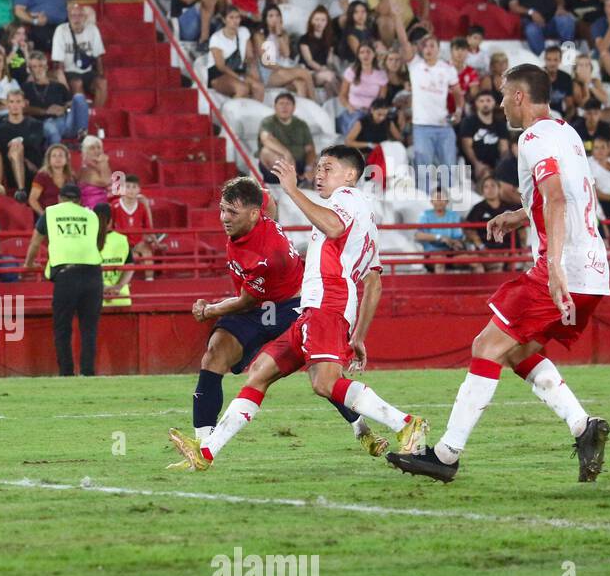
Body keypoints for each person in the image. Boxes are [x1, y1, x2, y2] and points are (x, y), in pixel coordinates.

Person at [389, 65, 610, 483]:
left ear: (521, 97)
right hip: (593, 272)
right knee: (516, 351)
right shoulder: (566, 132)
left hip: (560, 269)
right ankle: (583, 428)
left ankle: (446, 455)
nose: (503, 101)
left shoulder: (532, 138)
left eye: (506, 94)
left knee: (486, 346)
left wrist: (555, 269)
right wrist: (519, 214)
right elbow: (566, 195)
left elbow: (558, 200)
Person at [169, 147, 428, 472]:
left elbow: (333, 228)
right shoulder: (367, 221)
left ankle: (407, 424)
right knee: (260, 372)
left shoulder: (346, 197)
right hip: (318, 304)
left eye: (327, 168)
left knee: (324, 383)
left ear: (350, 175)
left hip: (327, 298)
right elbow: (374, 282)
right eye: (317, 168)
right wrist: (359, 335)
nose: (319, 174)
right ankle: (205, 453)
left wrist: (291, 189)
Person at [179, 175, 385, 453]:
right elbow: (269, 198)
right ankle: (203, 442)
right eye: (223, 209)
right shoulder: (259, 206)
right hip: (258, 306)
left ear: (253, 215)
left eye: (232, 212)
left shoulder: (265, 256)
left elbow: (244, 301)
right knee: (215, 354)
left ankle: (362, 430)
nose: (224, 218)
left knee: (321, 374)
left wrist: (208, 310)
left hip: (290, 307)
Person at [23, 182, 105, 376]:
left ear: (60, 198)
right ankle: (87, 372)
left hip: (66, 275)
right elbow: (96, 242)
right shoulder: (91, 215)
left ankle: (66, 373)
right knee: (89, 328)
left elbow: (35, 243)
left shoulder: (50, 213)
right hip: (93, 273)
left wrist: (28, 264)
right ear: (79, 200)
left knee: (62, 327)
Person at [402, 32, 463, 197]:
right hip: (421, 126)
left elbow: (458, 93)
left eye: (432, 46)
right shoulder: (415, 65)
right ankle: (424, 201)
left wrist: (458, 111)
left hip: (443, 125)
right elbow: (404, 41)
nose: (428, 49)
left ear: (438, 49)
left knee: (449, 166)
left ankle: (449, 201)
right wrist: (396, 18)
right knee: (423, 168)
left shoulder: (448, 69)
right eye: (425, 46)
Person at [20, 50, 87, 147]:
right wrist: (46, 111)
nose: (38, 70)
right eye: (34, 67)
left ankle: (82, 136)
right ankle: (56, 155)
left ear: (46, 67)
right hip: (42, 123)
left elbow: (69, 104)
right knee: (51, 127)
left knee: (79, 97)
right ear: (30, 69)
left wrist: (63, 109)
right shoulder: (25, 87)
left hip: (64, 121)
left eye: (40, 66)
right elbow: (23, 109)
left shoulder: (58, 86)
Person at [52, 1, 106, 108]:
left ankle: (96, 113)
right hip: (69, 71)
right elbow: (59, 63)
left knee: (102, 83)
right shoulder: (61, 30)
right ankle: (83, 113)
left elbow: (98, 56)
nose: (76, 19)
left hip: (87, 70)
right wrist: (64, 85)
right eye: (73, 16)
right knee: (77, 82)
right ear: (69, 17)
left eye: (80, 15)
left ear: (85, 17)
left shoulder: (92, 29)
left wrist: (100, 74)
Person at [464, 172, 521, 272]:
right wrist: (482, 249)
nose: (490, 189)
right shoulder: (477, 209)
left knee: (527, 264)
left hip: (510, 250)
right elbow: (469, 230)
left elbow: (522, 229)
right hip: (487, 251)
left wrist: (519, 250)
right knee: (497, 265)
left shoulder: (510, 207)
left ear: (499, 189)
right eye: (486, 187)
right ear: (482, 191)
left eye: (493, 186)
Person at [257, 91, 316, 185]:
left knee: (325, 160)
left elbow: (310, 150)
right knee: (266, 151)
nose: (284, 107)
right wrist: (286, 153)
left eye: (288, 104)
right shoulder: (268, 122)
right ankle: (293, 180)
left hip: (300, 164)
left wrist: (308, 167)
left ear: (294, 107)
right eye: (281, 103)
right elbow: (266, 139)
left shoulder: (301, 124)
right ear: (275, 107)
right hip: (276, 165)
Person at [207, 5, 263, 100]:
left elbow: (249, 56)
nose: (235, 21)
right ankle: (230, 113)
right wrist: (239, 78)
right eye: (231, 17)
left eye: (237, 17)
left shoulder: (244, 31)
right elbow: (221, 66)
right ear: (224, 20)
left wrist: (252, 66)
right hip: (218, 75)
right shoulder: (216, 38)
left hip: (238, 71)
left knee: (259, 87)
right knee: (243, 88)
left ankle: (255, 112)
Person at [459, 90, 510, 183]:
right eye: (481, 101)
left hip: (495, 165)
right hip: (472, 166)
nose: (485, 104)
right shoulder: (469, 122)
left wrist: (500, 167)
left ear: (494, 103)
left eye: (488, 100)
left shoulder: (500, 124)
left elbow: (504, 149)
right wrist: (477, 164)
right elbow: (467, 146)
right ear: (476, 104)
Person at [415, 186, 469, 273]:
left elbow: (458, 236)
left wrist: (455, 243)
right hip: (433, 253)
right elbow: (418, 235)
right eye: (436, 198)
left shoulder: (454, 215)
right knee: (440, 261)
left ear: (447, 201)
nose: (439, 201)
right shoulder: (425, 215)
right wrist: (440, 237)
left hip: (451, 252)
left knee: (474, 261)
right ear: (431, 201)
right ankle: (440, 286)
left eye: (442, 198)